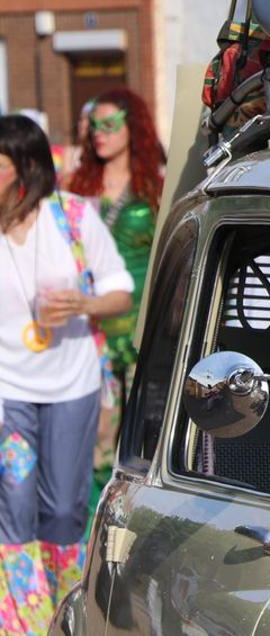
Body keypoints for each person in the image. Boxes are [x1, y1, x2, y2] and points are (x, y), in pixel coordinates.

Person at [0, 114, 131, 635]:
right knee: (13, 500)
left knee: (62, 508)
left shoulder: (73, 218)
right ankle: (21, 623)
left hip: (71, 387)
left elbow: (121, 291)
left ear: (27, 168)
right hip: (7, 391)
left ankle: (64, 608)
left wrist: (86, 301)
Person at [65, 89, 165, 518]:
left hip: (144, 329)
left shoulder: (155, 185)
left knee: (144, 443)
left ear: (133, 128)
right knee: (96, 443)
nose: (100, 135)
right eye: (95, 126)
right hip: (92, 332)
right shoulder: (75, 187)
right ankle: (84, 538)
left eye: (111, 125)